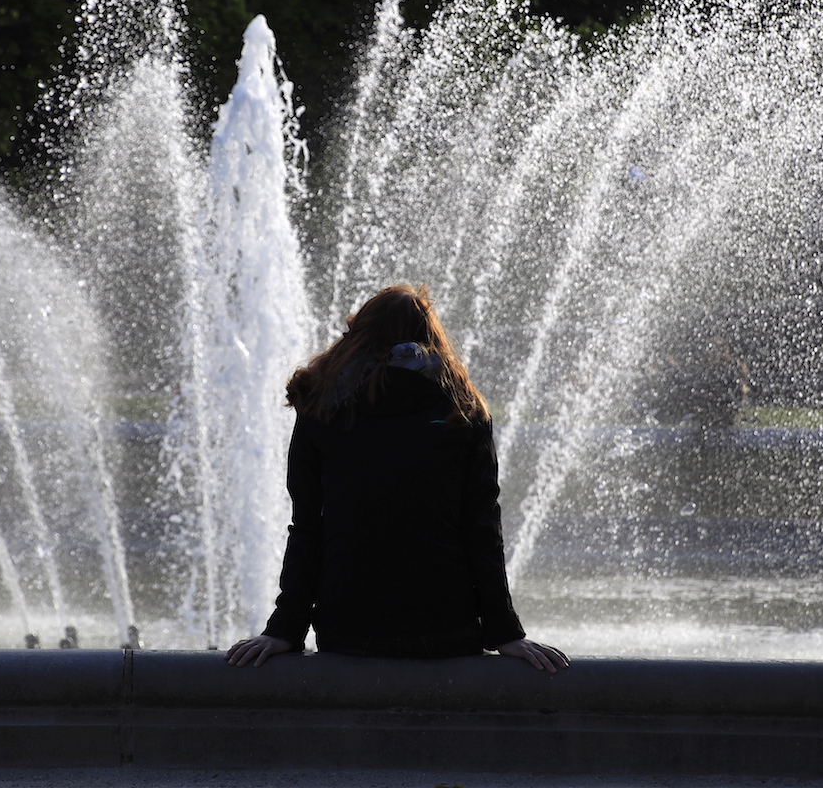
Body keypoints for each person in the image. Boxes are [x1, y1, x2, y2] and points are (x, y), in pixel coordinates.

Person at [225, 284, 568, 673]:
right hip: (445, 624)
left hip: (350, 626)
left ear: (358, 336)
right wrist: (506, 632)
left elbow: (308, 527)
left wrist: (284, 629)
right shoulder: (464, 410)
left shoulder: (323, 409)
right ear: (430, 338)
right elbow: (481, 528)